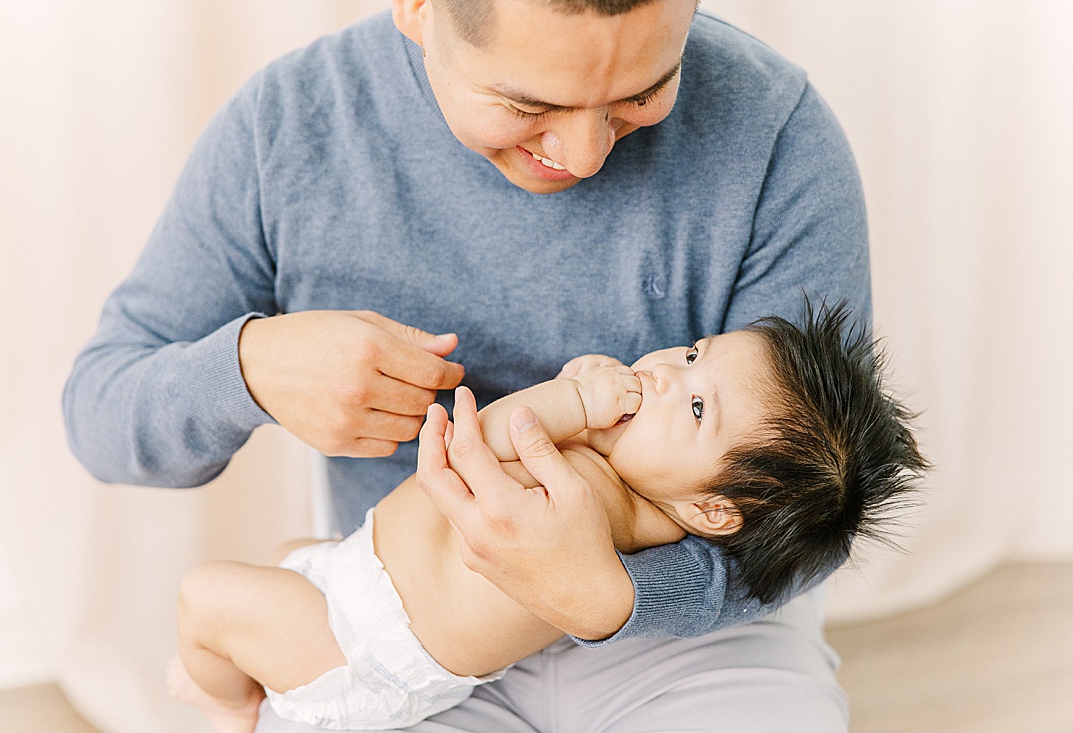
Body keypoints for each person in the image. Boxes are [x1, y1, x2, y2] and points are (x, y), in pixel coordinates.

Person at [63, 1, 878, 730]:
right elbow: (100, 409)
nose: (587, 154)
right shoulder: (288, 130)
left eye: (642, 92)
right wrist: (248, 367)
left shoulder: (776, 131)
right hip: (412, 618)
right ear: (418, 7)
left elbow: (809, 510)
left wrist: (612, 596)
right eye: (528, 105)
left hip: (688, 628)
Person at [167, 305, 924, 731]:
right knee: (284, 552)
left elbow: (481, 446)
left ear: (709, 509)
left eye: (696, 404)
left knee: (205, 596)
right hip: (352, 580)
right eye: (696, 353)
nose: (665, 372)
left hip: (361, 647)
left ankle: (233, 703)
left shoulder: (593, 506)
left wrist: (570, 401)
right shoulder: (631, 488)